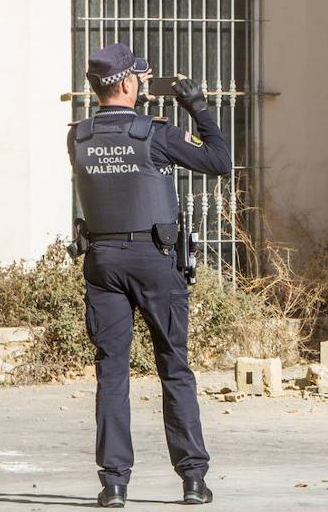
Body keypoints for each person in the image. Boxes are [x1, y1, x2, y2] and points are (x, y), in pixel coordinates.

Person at [68, 42, 231, 508]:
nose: (143, 82)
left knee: (112, 374)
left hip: (101, 261)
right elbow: (219, 163)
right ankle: (193, 481)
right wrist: (198, 108)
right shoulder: (156, 134)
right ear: (126, 83)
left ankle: (114, 485)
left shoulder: (76, 136)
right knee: (174, 369)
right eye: (140, 76)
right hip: (153, 262)